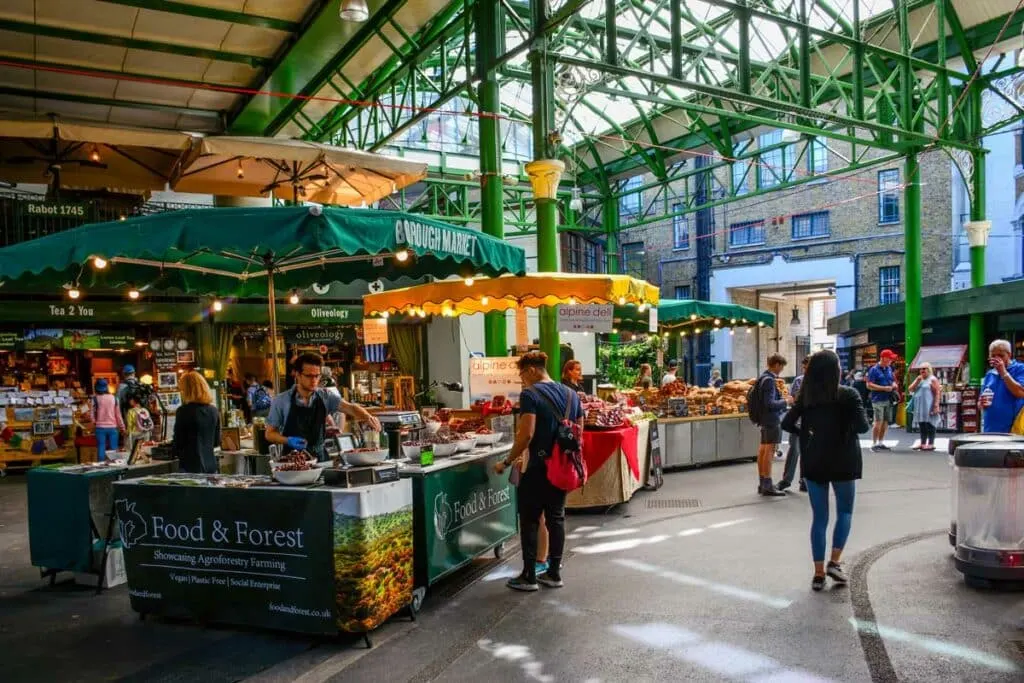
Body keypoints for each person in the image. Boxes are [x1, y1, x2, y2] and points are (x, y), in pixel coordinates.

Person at [782, 350, 870, 591]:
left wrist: (809, 433)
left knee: (819, 518)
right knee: (845, 512)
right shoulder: (849, 395)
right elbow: (863, 427)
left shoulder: (806, 397)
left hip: (814, 460)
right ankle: (835, 561)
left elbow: (786, 423)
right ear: (836, 370)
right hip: (844, 459)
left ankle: (818, 573)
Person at [495, 351, 583, 592]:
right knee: (556, 518)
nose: (522, 379)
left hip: (536, 468)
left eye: (522, 374)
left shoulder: (530, 394)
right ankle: (554, 573)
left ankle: (529, 575)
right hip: (561, 467)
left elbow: (526, 434)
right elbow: (579, 434)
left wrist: (507, 461)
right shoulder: (571, 395)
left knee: (530, 520)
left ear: (532, 370)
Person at [265, 353, 380, 461]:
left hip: (321, 459)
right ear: (298, 375)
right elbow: (270, 434)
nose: (314, 380)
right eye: (309, 376)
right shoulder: (281, 400)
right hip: (292, 459)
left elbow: (350, 408)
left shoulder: (326, 396)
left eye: (317, 376)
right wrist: (288, 440)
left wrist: (368, 417)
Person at [754, 353, 792, 496]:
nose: (781, 370)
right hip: (771, 419)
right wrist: (786, 402)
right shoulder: (769, 380)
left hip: (764, 419)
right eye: (781, 366)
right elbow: (770, 403)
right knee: (769, 451)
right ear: (777, 364)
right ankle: (768, 484)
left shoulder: (762, 377)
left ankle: (762, 482)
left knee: (763, 449)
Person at [173, 371, 221, 473]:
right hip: (211, 465)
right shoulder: (214, 411)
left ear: (187, 390)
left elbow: (178, 443)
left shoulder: (183, 411)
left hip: (190, 466)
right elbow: (216, 441)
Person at [777, 356, 810, 492]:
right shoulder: (800, 380)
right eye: (804, 367)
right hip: (801, 421)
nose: (804, 369)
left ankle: (803, 480)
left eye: (805, 366)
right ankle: (788, 480)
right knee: (795, 450)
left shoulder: (805, 381)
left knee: (803, 452)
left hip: (805, 421)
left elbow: (795, 399)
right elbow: (795, 399)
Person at [979, 339, 1024, 433]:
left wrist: (1003, 372)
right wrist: (981, 403)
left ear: (1009, 355)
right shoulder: (989, 374)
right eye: (993, 355)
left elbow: (1020, 393)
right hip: (991, 428)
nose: (996, 358)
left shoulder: (1020, 369)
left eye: (1001, 355)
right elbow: (981, 401)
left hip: (1013, 429)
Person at [866, 350, 899, 451]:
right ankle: (874, 444)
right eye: (890, 358)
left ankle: (880, 442)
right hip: (878, 399)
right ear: (883, 358)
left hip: (888, 399)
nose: (891, 360)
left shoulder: (888, 368)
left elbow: (892, 380)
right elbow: (869, 385)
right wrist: (883, 388)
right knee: (878, 421)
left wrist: (893, 384)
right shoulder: (874, 370)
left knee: (885, 422)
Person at [908, 362, 942, 451]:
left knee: (930, 423)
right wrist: (917, 381)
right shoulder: (919, 379)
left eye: (924, 368)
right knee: (922, 423)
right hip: (920, 405)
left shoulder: (933, 379)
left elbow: (937, 392)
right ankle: (923, 443)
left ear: (929, 369)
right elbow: (910, 389)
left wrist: (936, 405)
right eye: (921, 369)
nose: (922, 370)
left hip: (929, 404)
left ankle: (931, 443)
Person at [91, 378, 125, 462]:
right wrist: (122, 427)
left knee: (101, 447)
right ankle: (115, 465)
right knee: (113, 448)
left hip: (100, 427)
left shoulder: (95, 399)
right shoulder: (114, 398)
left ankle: (101, 465)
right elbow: (118, 414)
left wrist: (94, 422)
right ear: (106, 387)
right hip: (113, 428)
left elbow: (91, 414)